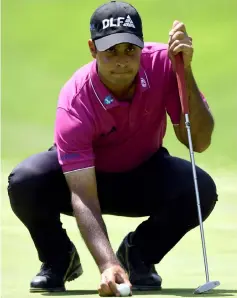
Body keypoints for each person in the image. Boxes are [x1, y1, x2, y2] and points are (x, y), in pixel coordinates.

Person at [7, 0, 218, 296]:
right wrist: (107, 264)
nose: (122, 60)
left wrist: (187, 71)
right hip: (82, 181)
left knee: (200, 189)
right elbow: (82, 193)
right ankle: (58, 259)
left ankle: (138, 255)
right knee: (26, 181)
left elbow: (199, 141)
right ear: (93, 49)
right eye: (111, 51)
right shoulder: (76, 99)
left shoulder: (164, 65)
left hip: (142, 173)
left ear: (141, 47)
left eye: (130, 49)